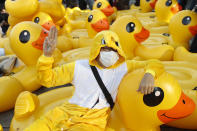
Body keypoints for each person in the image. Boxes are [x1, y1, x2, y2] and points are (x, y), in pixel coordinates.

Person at [25, 26, 164, 131]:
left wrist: (149, 74)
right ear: (96, 50)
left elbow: (154, 63)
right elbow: (48, 79)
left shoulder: (124, 67)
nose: (109, 53)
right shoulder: (78, 66)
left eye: (113, 50)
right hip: (64, 112)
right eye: (105, 49)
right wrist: (47, 57)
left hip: (93, 121)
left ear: (119, 50)